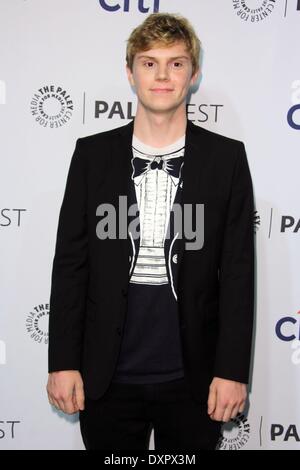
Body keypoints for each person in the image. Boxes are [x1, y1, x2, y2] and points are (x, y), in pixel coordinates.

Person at [47, 13, 255, 451]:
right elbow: (70, 267)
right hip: (105, 377)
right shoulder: (91, 156)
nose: (162, 75)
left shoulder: (227, 160)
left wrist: (233, 370)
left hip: (194, 379)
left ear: (193, 74)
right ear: (130, 73)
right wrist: (63, 362)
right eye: (149, 63)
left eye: (176, 64)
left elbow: (238, 275)